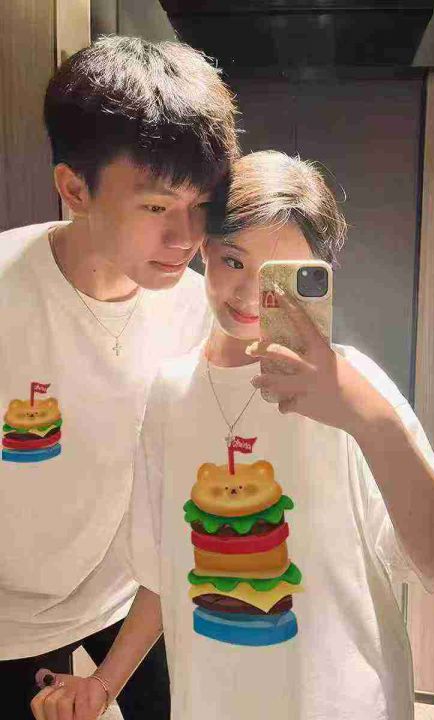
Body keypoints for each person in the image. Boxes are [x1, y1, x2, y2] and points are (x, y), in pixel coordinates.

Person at [33, 150, 434, 720]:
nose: (247, 295)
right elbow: (167, 571)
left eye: (278, 276)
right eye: (234, 260)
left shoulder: (355, 386)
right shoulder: (170, 393)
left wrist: (370, 420)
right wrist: (103, 684)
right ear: (204, 250)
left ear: (318, 278)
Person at [0, 34, 238, 720]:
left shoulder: (198, 311)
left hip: (128, 593)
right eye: (157, 207)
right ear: (75, 188)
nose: (186, 238)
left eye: (201, 205)